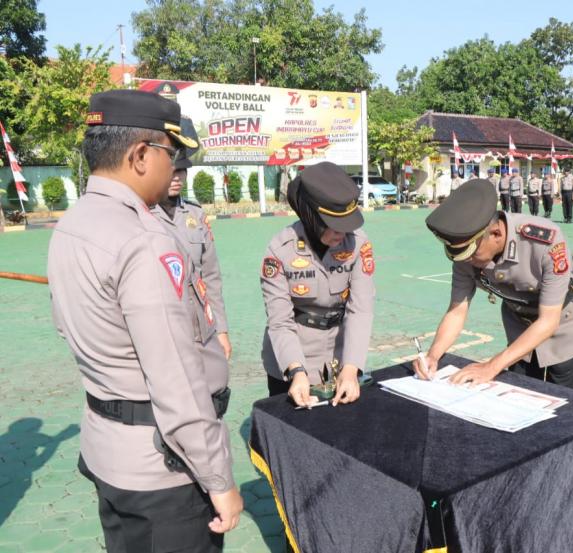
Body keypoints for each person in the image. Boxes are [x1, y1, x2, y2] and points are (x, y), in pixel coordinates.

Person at [47, 89, 243, 553]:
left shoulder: (72, 223)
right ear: (139, 155)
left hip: (109, 452)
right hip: (165, 473)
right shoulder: (144, 239)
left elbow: (65, 328)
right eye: (170, 153)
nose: (175, 167)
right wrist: (219, 480)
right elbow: (176, 379)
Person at [415, 178, 573, 390]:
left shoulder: (545, 241)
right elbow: (457, 311)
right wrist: (433, 355)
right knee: (520, 390)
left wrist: (491, 366)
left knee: (564, 398)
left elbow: (549, 320)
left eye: (472, 254)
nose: (467, 261)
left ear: (496, 234)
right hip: (519, 321)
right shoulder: (467, 253)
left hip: (567, 322)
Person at [260, 161, 375, 407]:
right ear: (311, 216)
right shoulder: (279, 250)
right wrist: (296, 371)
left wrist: (351, 367)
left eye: (348, 225)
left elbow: (360, 309)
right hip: (291, 356)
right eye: (334, 226)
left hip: (339, 354)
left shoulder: (359, 245)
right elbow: (280, 321)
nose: (342, 234)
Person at [151, 124, 232, 360]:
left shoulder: (195, 215)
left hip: (200, 324)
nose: (176, 178)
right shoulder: (142, 214)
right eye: (172, 171)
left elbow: (211, 277)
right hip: (162, 324)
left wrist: (221, 329)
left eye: (181, 171)